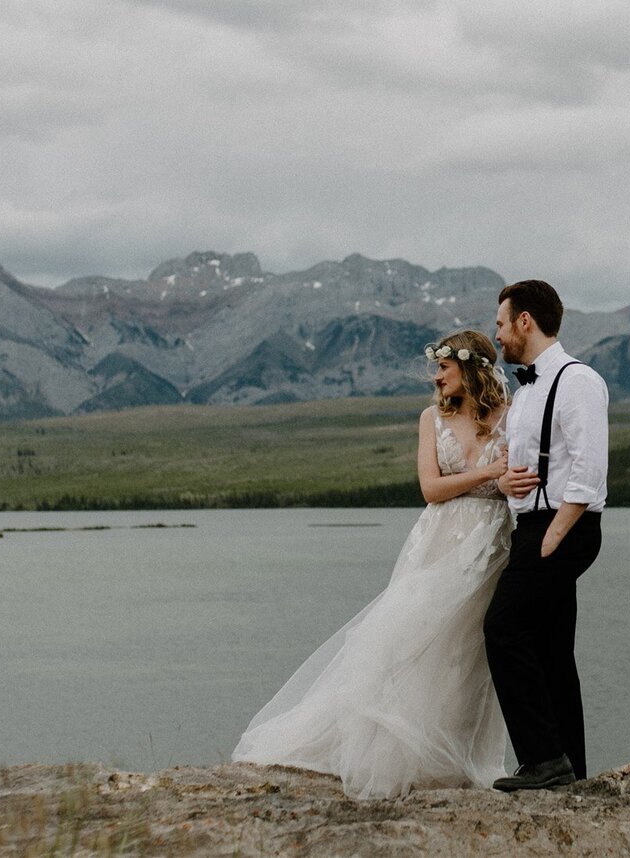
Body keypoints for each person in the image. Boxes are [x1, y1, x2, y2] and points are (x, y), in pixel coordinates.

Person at [233, 330, 514, 798]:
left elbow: (509, 486)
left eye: (443, 367)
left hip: (490, 545)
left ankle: (455, 759)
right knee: (415, 640)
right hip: (438, 541)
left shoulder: (509, 417)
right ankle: (403, 756)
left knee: (469, 653)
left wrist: (508, 479)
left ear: (469, 368)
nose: (436, 376)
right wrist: (487, 472)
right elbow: (430, 488)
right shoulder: (431, 419)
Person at [484, 279, 609, 791]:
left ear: (525, 321)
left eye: (500, 323)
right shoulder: (527, 389)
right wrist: (506, 482)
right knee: (553, 650)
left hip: (564, 526)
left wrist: (553, 536)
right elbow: (528, 463)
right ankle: (570, 769)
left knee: (502, 629)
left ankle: (540, 758)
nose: (497, 335)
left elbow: (588, 467)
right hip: (534, 524)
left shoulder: (578, 381)